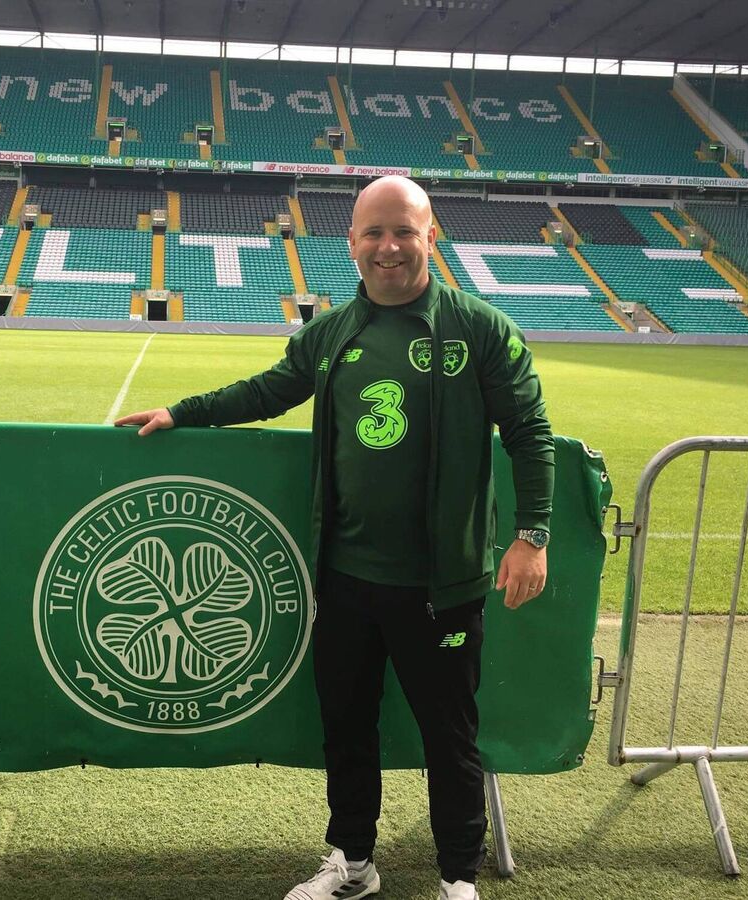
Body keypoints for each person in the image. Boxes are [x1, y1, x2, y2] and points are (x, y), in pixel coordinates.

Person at [116, 175, 553, 900]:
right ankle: (352, 861)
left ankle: (457, 878)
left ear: (430, 236)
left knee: (451, 740)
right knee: (347, 730)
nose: (389, 247)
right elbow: (265, 391)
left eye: (404, 231)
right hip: (346, 579)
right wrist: (183, 413)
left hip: (443, 586)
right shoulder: (330, 333)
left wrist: (532, 535)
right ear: (351, 244)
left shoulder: (479, 329)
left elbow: (531, 433)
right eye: (373, 233)